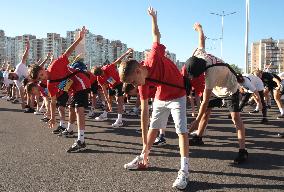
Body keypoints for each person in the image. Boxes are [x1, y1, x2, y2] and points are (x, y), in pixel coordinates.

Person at [119, 7, 189, 190]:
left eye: (134, 81)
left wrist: (153, 19)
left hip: (178, 94)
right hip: (161, 95)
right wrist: (144, 147)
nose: (135, 86)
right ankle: (143, 158)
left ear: (138, 70)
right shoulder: (142, 83)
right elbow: (144, 113)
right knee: (153, 128)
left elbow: (156, 35)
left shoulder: (153, 57)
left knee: (181, 131)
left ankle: (184, 171)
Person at [187, 23, 248, 164]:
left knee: (235, 118)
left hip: (229, 87)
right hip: (217, 88)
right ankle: (198, 137)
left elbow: (204, 101)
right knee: (206, 112)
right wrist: (199, 28)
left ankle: (243, 151)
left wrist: (196, 120)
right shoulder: (198, 54)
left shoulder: (210, 74)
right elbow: (201, 40)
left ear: (202, 72)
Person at [29, 26, 90, 152]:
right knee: (71, 108)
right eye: (40, 79)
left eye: (41, 74)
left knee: (79, 109)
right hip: (73, 86)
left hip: (81, 80)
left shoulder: (54, 65)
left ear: (43, 69)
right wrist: (52, 117)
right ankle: (71, 130)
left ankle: (81, 141)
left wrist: (79, 39)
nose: (42, 77)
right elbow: (53, 101)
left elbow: (68, 52)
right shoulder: (50, 84)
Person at [93, 48, 133, 127]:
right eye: (101, 75)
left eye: (102, 74)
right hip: (112, 85)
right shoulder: (99, 78)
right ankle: (105, 114)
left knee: (119, 100)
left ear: (102, 69)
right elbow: (104, 90)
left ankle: (120, 120)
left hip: (119, 83)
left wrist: (126, 53)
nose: (102, 76)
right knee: (109, 99)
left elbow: (119, 60)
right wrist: (108, 102)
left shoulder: (109, 67)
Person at [8, 42, 30, 110]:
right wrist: (22, 101)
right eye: (13, 79)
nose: (15, 78)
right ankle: (30, 106)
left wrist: (27, 49)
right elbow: (21, 90)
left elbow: (24, 58)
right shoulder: (16, 81)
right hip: (30, 81)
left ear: (13, 73)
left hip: (32, 75)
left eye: (13, 77)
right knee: (27, 91)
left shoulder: (18, 67)